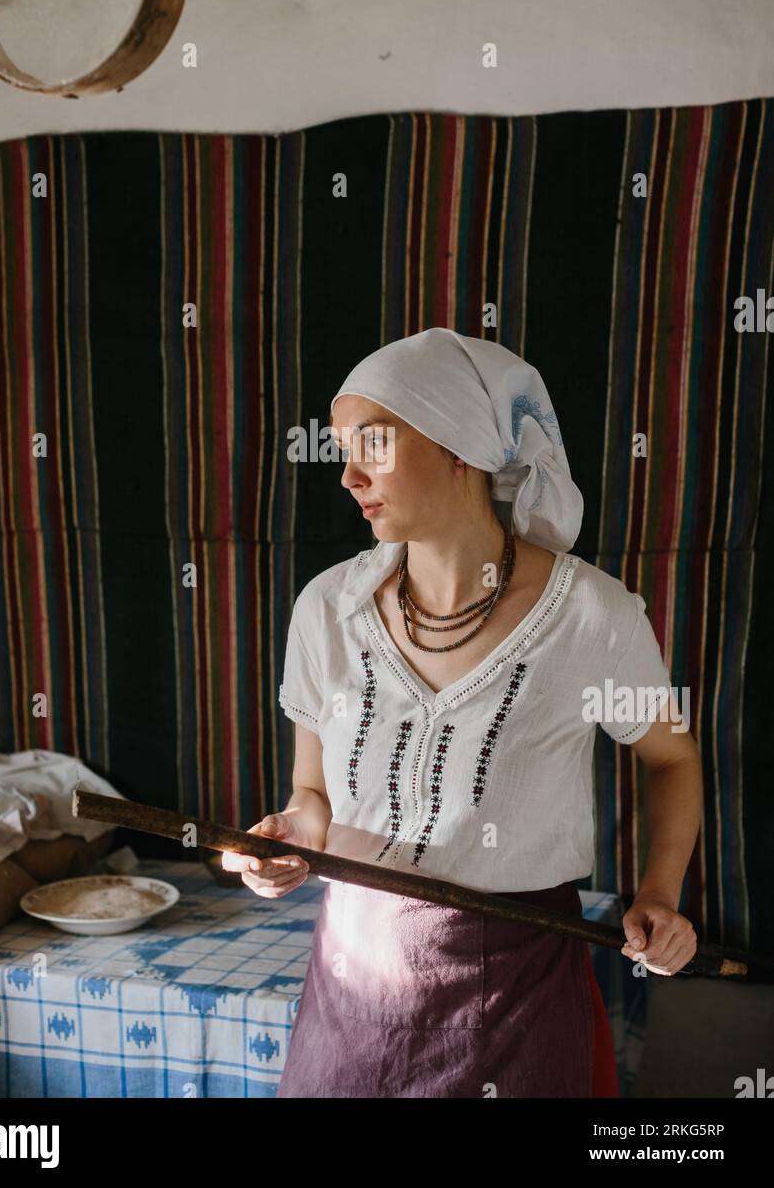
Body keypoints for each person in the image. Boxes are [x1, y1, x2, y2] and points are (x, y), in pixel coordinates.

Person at [223, 328, 702, 1099]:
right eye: (343, 449)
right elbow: (310, 800)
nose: (348, 475)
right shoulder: (327, 610)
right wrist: (278, 841)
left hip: (517, 988)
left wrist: (658, 894)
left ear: (459, 448)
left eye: (373, 443)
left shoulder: (591, 617)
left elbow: (672, 758)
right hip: (352, 988)